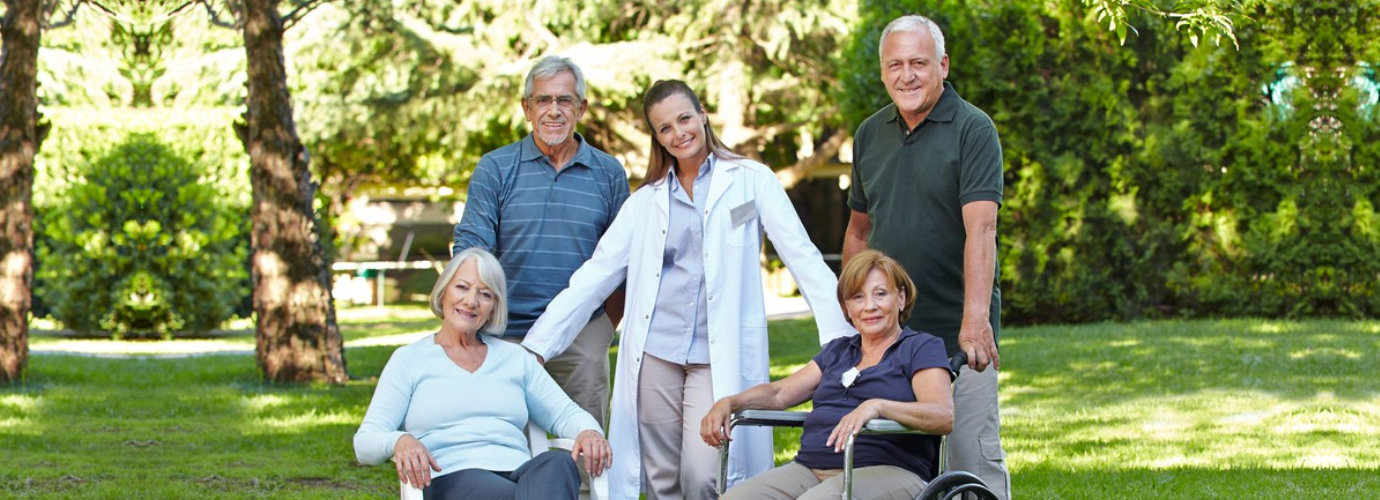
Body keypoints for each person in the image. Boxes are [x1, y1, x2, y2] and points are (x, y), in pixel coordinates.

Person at [521, 79, 854, 500]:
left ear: (703, 115)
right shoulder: (646, 202)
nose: (678, 134)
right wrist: (537, 345)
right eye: (664, 128)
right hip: (656, 353)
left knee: (704, 474)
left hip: (716, 356)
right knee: (661, 477)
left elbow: (802, 257)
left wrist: (849, 335)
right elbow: (596, 274)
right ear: (657, 138)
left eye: (684, 119)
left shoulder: (752, 181)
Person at [841, 15, 1010, 499]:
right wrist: (850, 307)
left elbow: (982, 228)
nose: (906, 75)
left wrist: (975, 319)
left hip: (959, 332)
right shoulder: (870, 134)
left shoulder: (973, 129)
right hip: (890, 334)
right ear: (882, 72)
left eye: (918, 63)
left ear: (943, 65)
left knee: (972, 460)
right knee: (892, 463)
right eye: (894, 64)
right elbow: (858, 230)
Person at [452, 55, 630, 429]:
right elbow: (471, 251)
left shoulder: (609, 173)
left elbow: (624, 261)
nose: (554, 111)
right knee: (504, 444)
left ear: (581, 108)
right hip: (504, 333)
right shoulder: (495, 168)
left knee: (586, 446)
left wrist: (601, 331)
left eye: (564, 100)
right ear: (526, 109)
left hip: (581, 336)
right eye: (543, 100)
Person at [353, 248, 611, 500]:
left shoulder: (515, 358)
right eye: (462, 287)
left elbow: (566, 414)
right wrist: (400, 441)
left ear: (493, 307)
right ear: (443, 292)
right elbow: (365, 443)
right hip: (452, 477)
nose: (471, 301)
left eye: (485, 294)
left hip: (520, 476)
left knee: (557, 464)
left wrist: (588, 430)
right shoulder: (409, 360)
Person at [702, 250, 954, 500]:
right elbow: (780, 393)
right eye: (857, 297)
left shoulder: (920, 347)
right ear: (847, 307)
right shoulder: (838, 351)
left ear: (900, 298)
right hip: (809, 469)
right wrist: (730, 403)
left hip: (890, 470)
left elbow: (942, 415)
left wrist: (878, 406)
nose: (870, 306)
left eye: (880, 293)